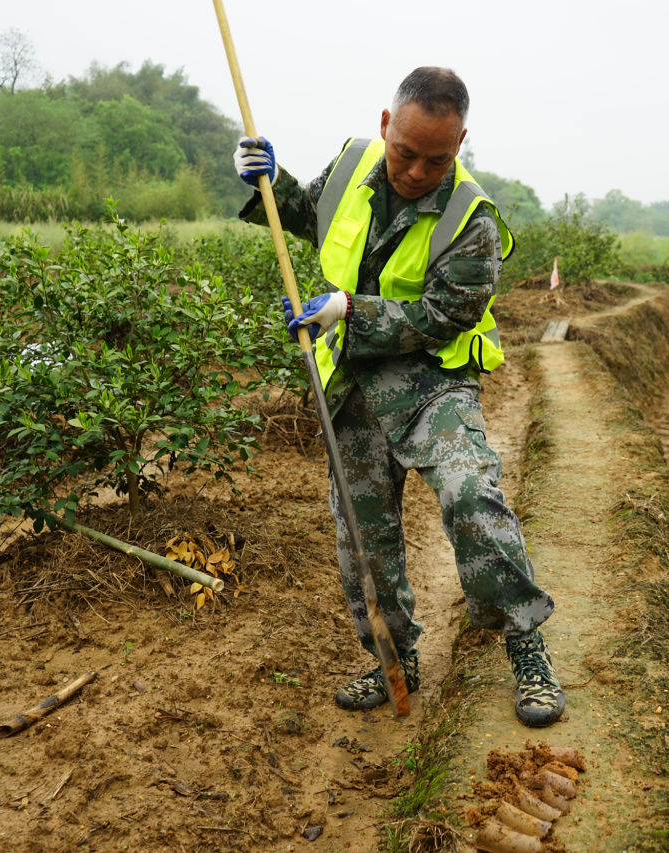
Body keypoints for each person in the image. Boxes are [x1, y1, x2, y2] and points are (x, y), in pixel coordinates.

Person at [232, 67, 563, 727]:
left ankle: (526, 644)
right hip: (354, 377)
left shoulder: (473, 221)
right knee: (363, 533)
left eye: (435, 160)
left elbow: (443, 315)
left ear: (460, 142)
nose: (415, 171)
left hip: (431, 379)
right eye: (405, 152)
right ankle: (393, 659)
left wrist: (349, 309)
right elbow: (310, 218)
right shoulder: (353, 164)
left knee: (471, 494)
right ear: (386, 125)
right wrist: (271, 179)